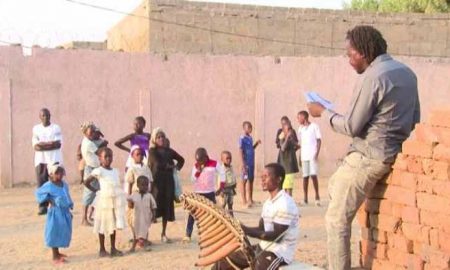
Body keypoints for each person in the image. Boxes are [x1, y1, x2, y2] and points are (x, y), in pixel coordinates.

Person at [307, 25, 420, 270]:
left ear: (364, 52)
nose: (349, 60)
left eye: (350, 54)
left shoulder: (373, 76)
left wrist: (322, 112)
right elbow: (414, 121)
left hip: (369, 156)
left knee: (336, 220)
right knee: (336, 185)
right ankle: (334, 260)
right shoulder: (408, 73)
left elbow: (351, 126)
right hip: (391, 152)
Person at [213, 163, 299, 270]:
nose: (262, 180)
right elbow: (261, 229)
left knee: (258, 266)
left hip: (278, 253)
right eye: (262, 177)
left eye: (266, 177)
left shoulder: (285, 203)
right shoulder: (268, 202)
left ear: (278, 179)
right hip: (263, 248)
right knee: (224, 262)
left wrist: (246, 230)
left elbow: (276, 236)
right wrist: (240, 229)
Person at [85, 147, 126, 257]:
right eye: (105, 157)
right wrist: (96, 190)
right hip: (104, 201)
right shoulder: (99, 171)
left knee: (113, 224)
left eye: (110, 156)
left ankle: (113, 248)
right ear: (100, 158)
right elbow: (87, 182)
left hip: (114, 201)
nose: (108, 159)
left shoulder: (115, 171)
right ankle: (102, 249)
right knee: (102, 224)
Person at [148, 127, 185, 243]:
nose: (161, 139)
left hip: (168, 182)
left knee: (166, 208)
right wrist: (168, 166)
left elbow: (181, 159)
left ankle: (163, 233)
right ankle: (144, 235)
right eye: (158, 137)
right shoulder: (152, 151)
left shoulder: (169, 151)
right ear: (154, 139)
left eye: (163, 137)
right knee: (152, 207)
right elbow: (157, 163)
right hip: (156, 183)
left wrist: (176, 168)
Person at [183, 148, 224, 243]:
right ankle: (188, 234)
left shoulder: (214, 163)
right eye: (198, 161)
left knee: (214, 214)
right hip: (198, 192)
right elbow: (192, 179)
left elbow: (222, 172)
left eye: (201, 160)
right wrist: (198, 171)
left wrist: (221, 186)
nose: (200, 162)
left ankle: (215, 234)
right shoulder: (196, 166)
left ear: (206, 157)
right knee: (192, 213)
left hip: (210, 193)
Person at [35, 163, 73, 265]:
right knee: (54, 232)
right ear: (51, 174)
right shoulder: (48, 186)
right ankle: (54, 256)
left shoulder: (64, 184)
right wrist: (49, 199)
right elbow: (38, 193)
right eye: (57, 173)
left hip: (64, 212)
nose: (59, 175)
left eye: (61, 172)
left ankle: (58, 252)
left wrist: (70, 206)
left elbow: (67, 195)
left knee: (62, 232)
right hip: (55, 213)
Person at [32, 108, 63, 215]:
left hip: (54, 159)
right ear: (40, 117)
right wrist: (50, 144)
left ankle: (57, 204)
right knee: (42, 184)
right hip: (41, 160)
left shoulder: (56, 128)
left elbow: (58, 144)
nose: (45, 117)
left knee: (56, 183)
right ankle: (42, 206)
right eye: (43, 115)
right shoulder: (36, 129)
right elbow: (36, 147)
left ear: (50, 116)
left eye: (47, 115)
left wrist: (43, 144)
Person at [81, 123, 108, 226]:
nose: (93, 134)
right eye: (91, 132)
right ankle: (84, 219)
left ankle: (90, 215)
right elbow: (99, 152)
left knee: (97, 193)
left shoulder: (90, 141)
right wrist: (103, 144)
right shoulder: (88, 143)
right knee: (88, 194)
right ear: (85, 133)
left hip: (96, 168)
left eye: (94, 132)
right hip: (91, 169)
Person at [297, 111, 322, 206]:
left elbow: (319, 140)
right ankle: (305, 198)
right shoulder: (300, 129)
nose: (298, 119)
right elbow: (301, 144)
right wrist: (300, 156)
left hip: (312, 155)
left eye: (299, 117)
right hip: (304, 156)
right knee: (305, 177)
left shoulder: (314, 126)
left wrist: (316, 154)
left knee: (313, 175)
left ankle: (317, 197)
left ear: (304, 117)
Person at [127, 175, 157, 252]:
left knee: (145, 231)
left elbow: (153, 207)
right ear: (138, 185)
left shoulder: (149, 196)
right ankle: (133, 246)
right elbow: (130, 206)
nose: (145, 187)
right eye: (142, 185)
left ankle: (145, 244)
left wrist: (153, 216)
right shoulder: (134, 195)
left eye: (146, 185)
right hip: (136, 217)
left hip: (146, 217)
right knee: (135, 232)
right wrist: (130, 202)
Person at [239, 121, 261, 207]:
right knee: (244, 181)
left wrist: (256, 144)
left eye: (251, 127)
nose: (250, 129)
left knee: (251, 180)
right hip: (246, 164)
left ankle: (250, 199)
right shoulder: (242, 138)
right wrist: (243, 164)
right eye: (249, 127)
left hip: (251, 163)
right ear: (244, 128)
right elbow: (240, 151)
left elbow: (251, 148)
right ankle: (244, 200)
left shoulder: (250, 138)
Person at [275, 116, 299, 196]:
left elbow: (296, 144)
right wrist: (287, 138)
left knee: (289, 185)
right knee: (285, 184)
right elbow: (282, 147)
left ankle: (288, 200)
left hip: (290, 161)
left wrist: (294, 145)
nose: (288, 130)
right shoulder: (281, 135)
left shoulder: (292, 132)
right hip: (283, 161)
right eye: (284, 125)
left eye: (289, 126)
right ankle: (287, 201)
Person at [216, 150, 237, 217]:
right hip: (224, 190)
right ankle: (220, 218)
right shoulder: (222, 169)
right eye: (227, 158)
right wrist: (220, 190)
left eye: (230, 158)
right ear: (222, 159)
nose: (229, 160)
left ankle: (232, 218)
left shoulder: (231, 167)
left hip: (230, 189)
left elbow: (232, 176)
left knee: (230, 204)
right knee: (223, 205)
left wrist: (234, 184)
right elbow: (220, 180)